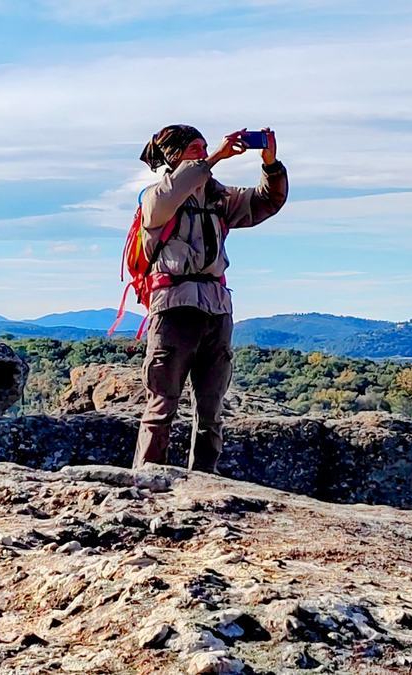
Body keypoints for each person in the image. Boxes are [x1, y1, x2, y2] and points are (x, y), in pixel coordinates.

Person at [133, 124, 288, 472]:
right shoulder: (155, 198)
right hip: (174, 306)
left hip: (216, 307)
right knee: (162, 405)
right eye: (194, 149)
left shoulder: (219, 199)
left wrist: (270, 164)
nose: (203, 154)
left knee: (211, 406)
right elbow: (169, 197)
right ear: (173, 157)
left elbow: (266, 202)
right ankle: (146, 480)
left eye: (205, 148)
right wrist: (217, 157)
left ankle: (204, 481)